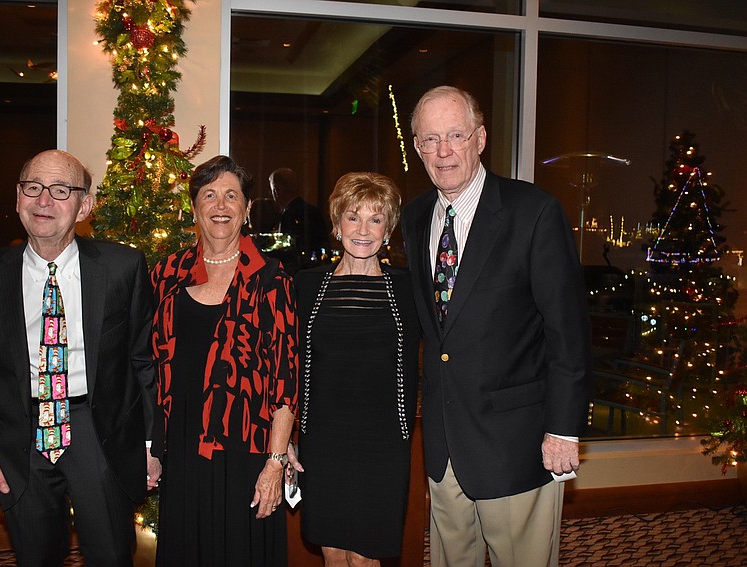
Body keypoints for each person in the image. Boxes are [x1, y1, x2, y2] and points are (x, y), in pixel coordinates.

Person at [401, 86, 592, 567]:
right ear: (417, 146)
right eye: (429, 139)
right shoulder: (415, 215)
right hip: (444, 445)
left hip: (517, 444)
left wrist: (564, 430)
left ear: (480, 138)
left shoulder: (534, 213)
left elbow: (567, 332)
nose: (443, 151)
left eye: (455, 135)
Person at [0, 149, 161, 567]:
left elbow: (144, 362)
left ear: (84, 205)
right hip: (19, 441)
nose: (43, 200)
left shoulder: (123, 267)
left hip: (98, 434)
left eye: (60, 190)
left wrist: (151, 443)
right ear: (18, 198)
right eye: (33, 188)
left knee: (111, 556)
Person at [150, 155, 299, 566]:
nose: (220, 205)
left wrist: (275, 461)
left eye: (231, 195)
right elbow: (149, 366)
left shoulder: (272, 279)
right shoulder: (167, 274)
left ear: (247, 209)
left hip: (247, 452)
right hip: (182, 449)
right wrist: (152, 444)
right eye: (209, 195)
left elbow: (287, 382)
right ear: (194, 207)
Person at [290, 172, 420, 566]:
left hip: (382, 445)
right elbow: (287, 364)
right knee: (332, 552)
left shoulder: (410, 289)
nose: (363, 230)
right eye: (352, 217)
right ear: (335, 225)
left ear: (388, 229)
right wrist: (287, 437)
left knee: (366, 558)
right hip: (324, 441)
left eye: (375, 219)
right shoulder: (306, 286)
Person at [269, 167, 330, 269]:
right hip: (318, 268)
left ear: (276, 191)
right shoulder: (314, 211)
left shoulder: (288, 215)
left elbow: (287, 251)